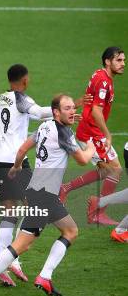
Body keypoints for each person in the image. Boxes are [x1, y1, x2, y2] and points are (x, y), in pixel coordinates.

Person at [0, 95, 96, 296]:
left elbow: (22, 149)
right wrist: (92, 145)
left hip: (40, 193)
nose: (72, 111)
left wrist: (16, 167)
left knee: (71, 230)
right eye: (67, 108)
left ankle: (45, 276)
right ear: (56, 112)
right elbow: (84, 160)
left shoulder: (45, 126)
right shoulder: (64, 133)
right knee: (21, 245)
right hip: (44, 198)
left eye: (73, 108)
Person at [0, 64, 54, 286]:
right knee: (35, 207)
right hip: (15, 161)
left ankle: (4, 260)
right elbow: (39, 113)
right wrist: (67, 107)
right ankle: (11, 258)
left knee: (10, 213)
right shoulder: (20, 99)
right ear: (25, 80)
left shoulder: (0, 98)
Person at [60, 47, 125, 225]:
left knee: (106, 170)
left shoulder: (99, 75)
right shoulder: (104, 82)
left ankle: (66, 188)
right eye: (119, 60)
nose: (123, 64)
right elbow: (97, 111)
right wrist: (107, 134)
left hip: (89, 130)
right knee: (115, 170)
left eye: (123, 60)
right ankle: (97, 211)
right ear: (107, 61)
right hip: (91, 132)